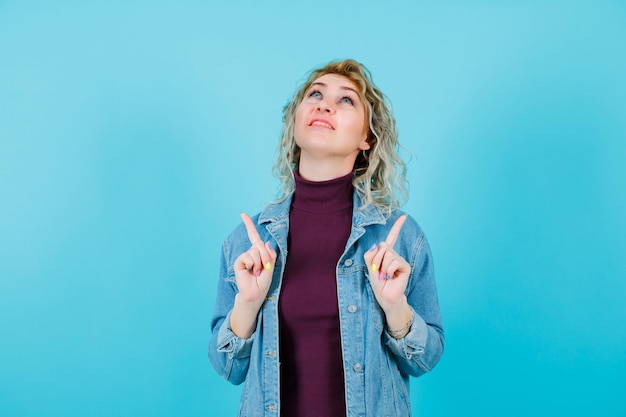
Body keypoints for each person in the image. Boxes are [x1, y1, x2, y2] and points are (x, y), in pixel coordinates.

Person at [209, 59, 444, 417]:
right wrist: (247, 305)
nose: (324, 104)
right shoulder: (249, 241)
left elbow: (425, 361)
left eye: (346, 100)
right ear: (295, 120)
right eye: (315, 94)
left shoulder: (401, 238)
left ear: (367, 138)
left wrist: (396, 310)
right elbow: (227, 366)